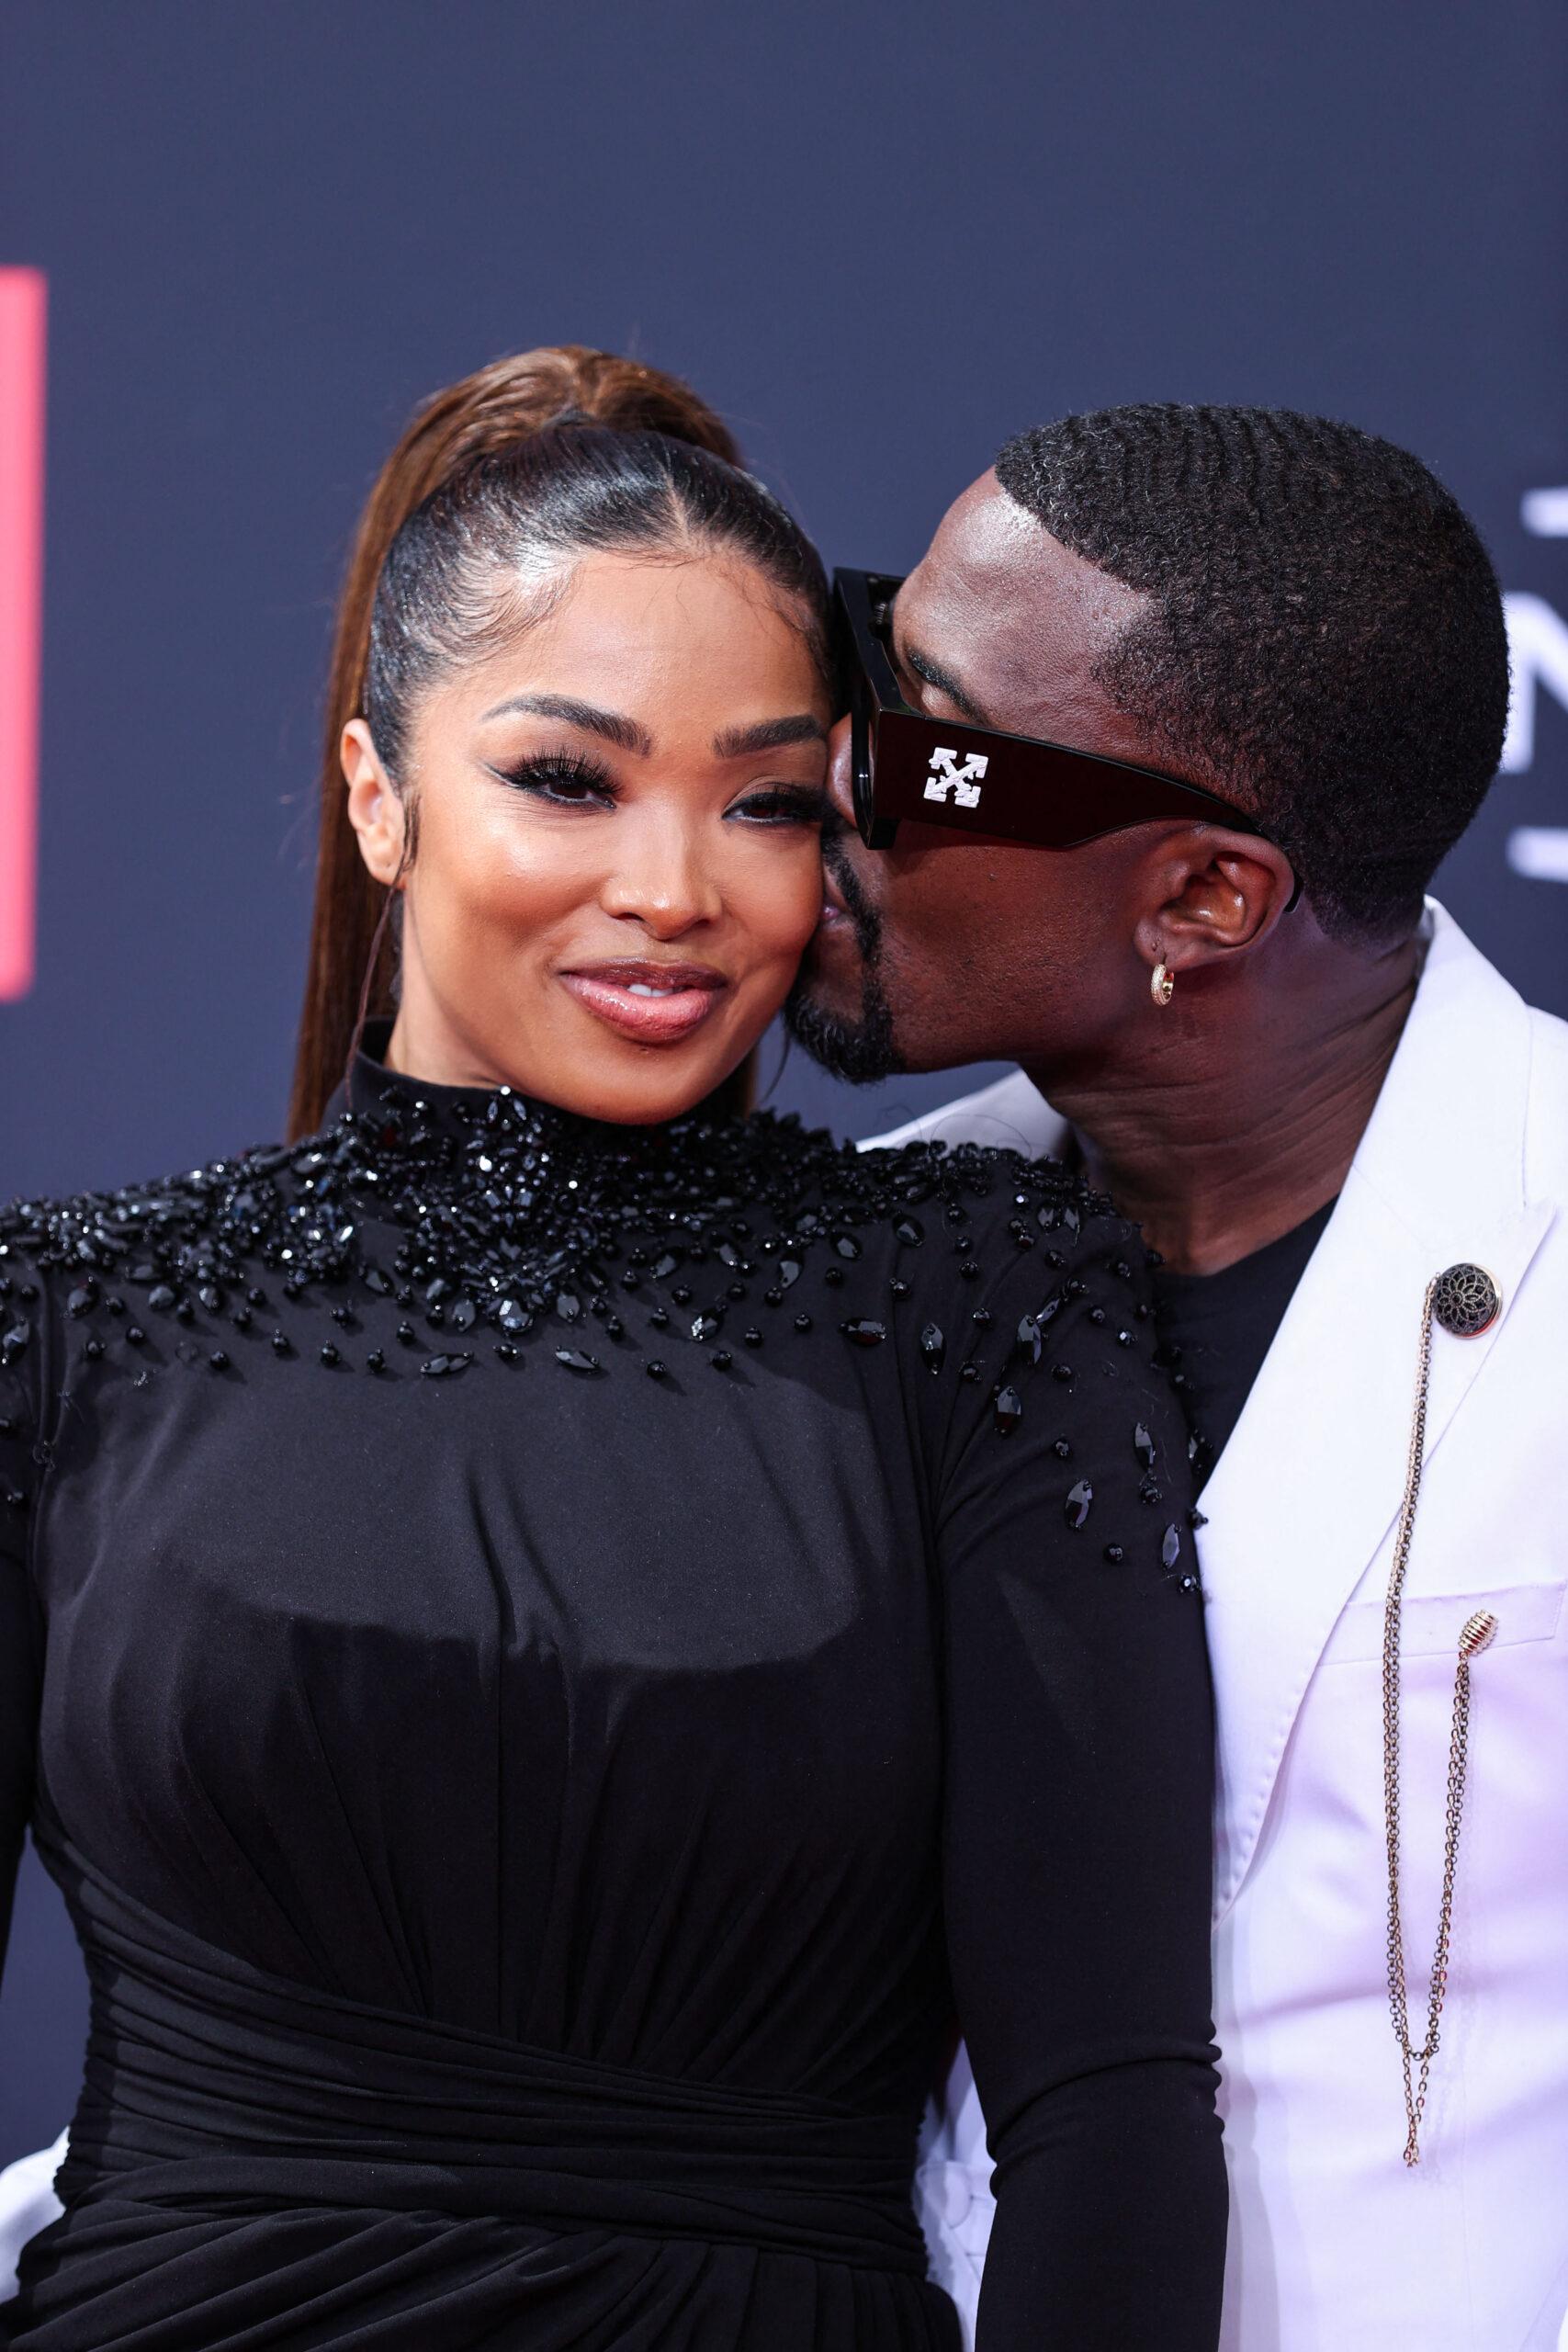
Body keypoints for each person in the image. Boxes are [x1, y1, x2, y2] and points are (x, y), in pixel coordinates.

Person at [0, 353, 1226, 2349]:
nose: (671, 892)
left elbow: (1105, 2116)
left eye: (757, 799)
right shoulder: (63, 1322)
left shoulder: (979, 1296)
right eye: (567, 779)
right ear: (381, 797)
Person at [790, 402, 1568, 2352]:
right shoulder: (857, 1251)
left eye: (928, 739)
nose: (827, 776)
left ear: (1201, 900)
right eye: (868, 656)